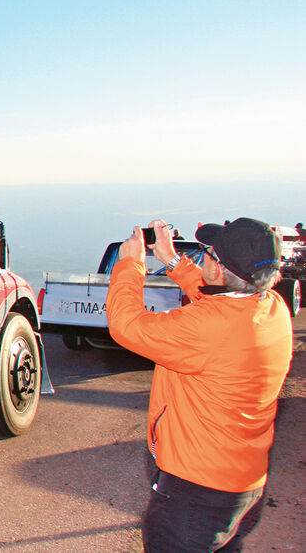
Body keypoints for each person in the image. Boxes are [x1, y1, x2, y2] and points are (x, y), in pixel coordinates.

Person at [106, 217, 292, 552]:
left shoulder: (208, 328)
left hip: (195, 493)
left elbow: (126, 325)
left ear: (219, 270)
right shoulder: (271, 307)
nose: (203, 255)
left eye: (207, 252)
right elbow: (217, 298)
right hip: (241, 483)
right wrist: (172, 260)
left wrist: (131, 265)